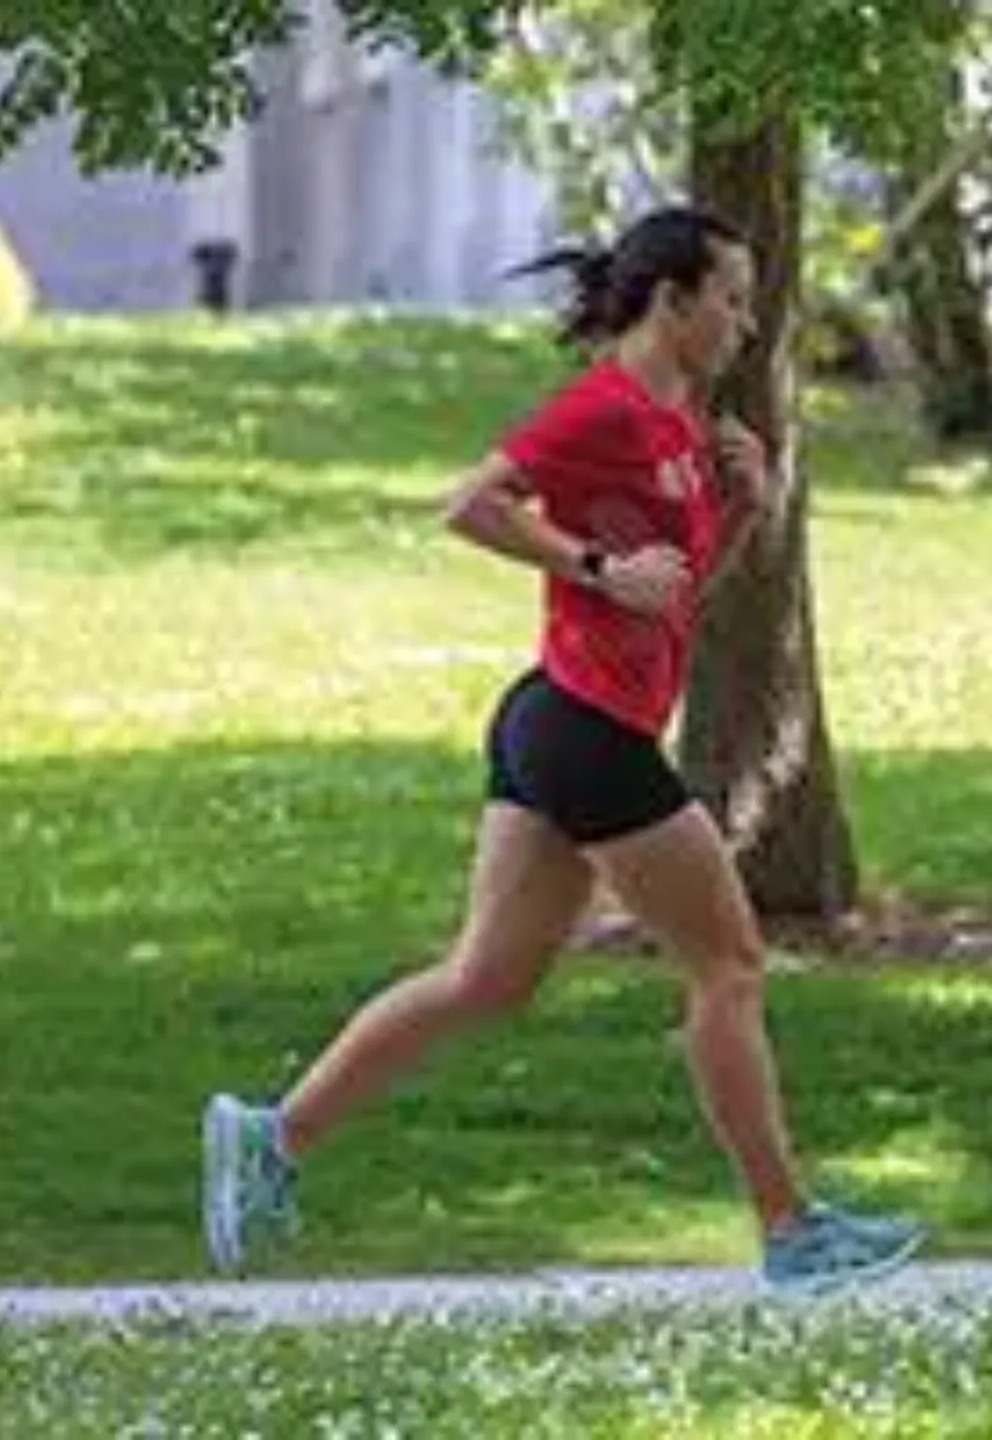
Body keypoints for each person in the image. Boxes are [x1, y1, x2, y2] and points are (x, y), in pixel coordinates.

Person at [202, 204, 923, 1293]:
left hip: (556, 721)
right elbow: (472, 506)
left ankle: (274, 1137)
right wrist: (592, 565)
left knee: (486, 979)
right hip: (587, 733)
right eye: (730, 300)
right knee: (729, 966)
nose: (745, 323)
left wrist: (744, 506)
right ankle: (792, 1232)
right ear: (672, 302)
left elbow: (675, 600)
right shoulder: (605, 408)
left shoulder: (681, 426)